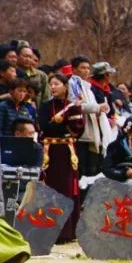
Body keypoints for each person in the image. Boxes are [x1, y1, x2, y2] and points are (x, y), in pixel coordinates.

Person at [38, 74, 83, 243]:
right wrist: (63, 126)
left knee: (67, 188)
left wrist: (58, 125)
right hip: (49, 153)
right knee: (50, 188)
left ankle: (67, 232)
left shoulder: (73, 106)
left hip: (66, 152)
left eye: (56, 84)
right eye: (51, 84)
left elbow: (77, 129)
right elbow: (45, 127)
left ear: (65, 86)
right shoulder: (45, 106)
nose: (53, 87)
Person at [69, 57, 109, 178]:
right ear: (74, 69)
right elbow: (75, 105)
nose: (86, 71)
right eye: (83, 68)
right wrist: (97, 107)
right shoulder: (72, 83)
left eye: (88, 68)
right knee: (80, 169)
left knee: (92, 170)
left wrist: (99, 109)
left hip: (91, 132)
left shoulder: (87, 87)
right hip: (80, 132)